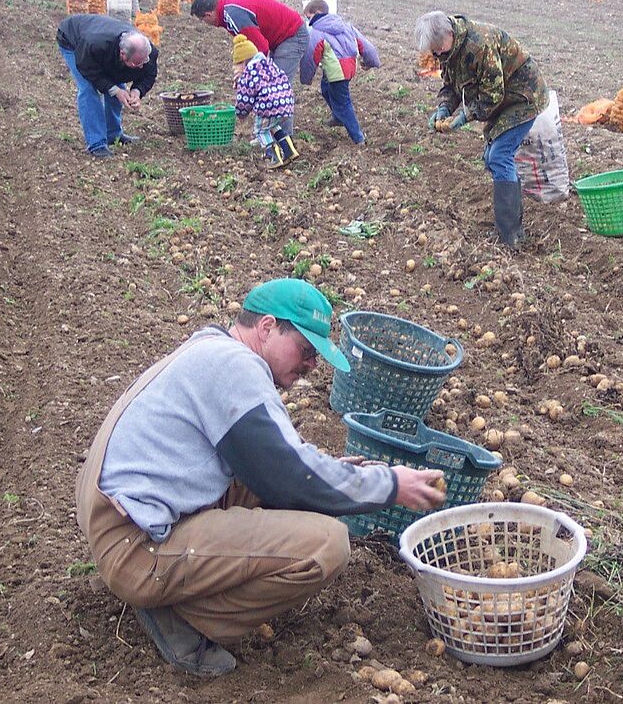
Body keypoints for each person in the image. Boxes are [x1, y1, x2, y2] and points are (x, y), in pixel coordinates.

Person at [75, 278, 445, 676]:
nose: (311, 366)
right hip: (135, 546)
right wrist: (392, 486)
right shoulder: (233, 366)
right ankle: (184, 618)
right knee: (327, 545)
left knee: (284, 488)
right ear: (267, 328)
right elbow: (288, 476)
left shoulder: (213, 350)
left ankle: (172, 589)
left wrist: (343, 475)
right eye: (305, 351)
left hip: (122, 520)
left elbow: (281, 460)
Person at [413, 11, 548, 249]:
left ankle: (510, 235)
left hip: (523, 97)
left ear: (448, 35)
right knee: (492, 159)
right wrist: (444, 108)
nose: (436, 54)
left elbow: (492, 95)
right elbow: (451, 85)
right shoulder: (449, 51)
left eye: (437, 49)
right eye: (433, 51)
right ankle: (513, 224)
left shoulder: (479, 46)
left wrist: (464, 117)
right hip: (504, 100)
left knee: (499, 156)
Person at [190, 0, 309, 142]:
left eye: (202, 20)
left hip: (292, 35)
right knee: (268, 86)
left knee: (277, 89)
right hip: (279, 37)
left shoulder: (232, 15)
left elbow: (260, 48)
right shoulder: (228, 11)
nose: (204, 23)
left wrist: (248, 77)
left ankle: (284, 139)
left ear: (208, 15)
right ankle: (271, 134)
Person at [56, 14, 158, 158]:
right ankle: (96, 144)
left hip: (103, 47)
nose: (141, 67)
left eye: (144, 62)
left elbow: (149, 74)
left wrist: (137, 91)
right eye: (136, 64)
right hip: (73, 41)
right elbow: (89, 70)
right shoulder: (94, 44)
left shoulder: (147, 52)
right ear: (122, 54)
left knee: (117, 83)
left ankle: (113, 134)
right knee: (88, 89)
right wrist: (115, 90)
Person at [299, 0, 380, 146]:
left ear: (317, 13)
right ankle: (337, 117)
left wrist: (306, 78)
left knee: (343, 103)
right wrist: (371, 61)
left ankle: (358, 138)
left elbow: (311, 56)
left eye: (308, 17)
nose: (307, 20)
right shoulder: (346, 26)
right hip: (347, 67)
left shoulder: (317, 32)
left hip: (337, 71)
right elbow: (366, 46)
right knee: (325, 89)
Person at [232, 33, 297, 169]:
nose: (235, 69)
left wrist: (240, 113)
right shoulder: (269, 65)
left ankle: (273, 156)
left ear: (243, 62)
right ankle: (289, 150)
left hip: (268, 105)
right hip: (285, 102)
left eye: (236, 65)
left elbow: (245, 98)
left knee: (261, 131)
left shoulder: (249, 73)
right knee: (273, 126)